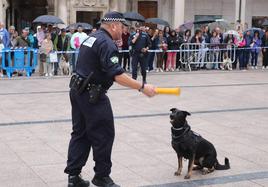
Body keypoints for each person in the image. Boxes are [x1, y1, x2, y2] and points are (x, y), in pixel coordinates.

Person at [64, 11, 156, 187]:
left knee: (80, 134)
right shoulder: (107, 43)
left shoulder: (92, 37)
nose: (123, 31)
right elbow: (117, 75)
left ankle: (73, 177)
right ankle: (102, 176)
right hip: (92, 95)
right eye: (122, 27)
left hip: (77, 90)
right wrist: (143, 87)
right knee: (104, 134)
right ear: (113, 26)